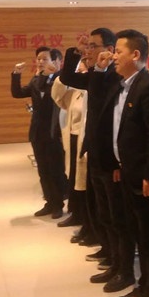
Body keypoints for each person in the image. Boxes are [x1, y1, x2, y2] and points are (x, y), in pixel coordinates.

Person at [93, 29, 149, 297]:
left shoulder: (148, 87)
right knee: (136, 234)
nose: (114, 57)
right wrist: (118, 163)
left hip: (143, 180)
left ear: (136, 55)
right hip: (126, 173)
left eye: (119, 52)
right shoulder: (123, 84)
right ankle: (143, 287)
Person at [61, 28, 132, 291]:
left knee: (116, 216)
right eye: (88, 46)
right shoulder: (97, 74)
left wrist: (99, 69)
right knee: (103, 212)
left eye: (93, 46)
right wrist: (75, 52)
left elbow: (108, 112)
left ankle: (123, 268)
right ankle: (111, 257)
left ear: (110, 50)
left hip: (110, 158)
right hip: (95, 152)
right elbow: (67, 77)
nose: (89, 51)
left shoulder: (115, 77)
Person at [10, 46, 68, 219]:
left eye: (45, 59)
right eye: (39, 59)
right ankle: (49, 202)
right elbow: (17, 93)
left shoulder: (61, 80)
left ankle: (58, 204)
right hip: (37, 133)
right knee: (43, 170)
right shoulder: (36, 80)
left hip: (54, 132)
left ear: (55, 61)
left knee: (56, 169)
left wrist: (54, 75)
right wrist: (16, 74)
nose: (41, 62)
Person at [51, 60, 88, 228]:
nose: (78, 73)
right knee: (73, 177)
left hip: (85, 141)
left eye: (82, 69)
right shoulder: (74, 92)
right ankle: (75, 213)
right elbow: (57, 96)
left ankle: (84, 216)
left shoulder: (91, 91)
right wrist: (64, 75)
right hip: (72, 139)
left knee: (83, 180)